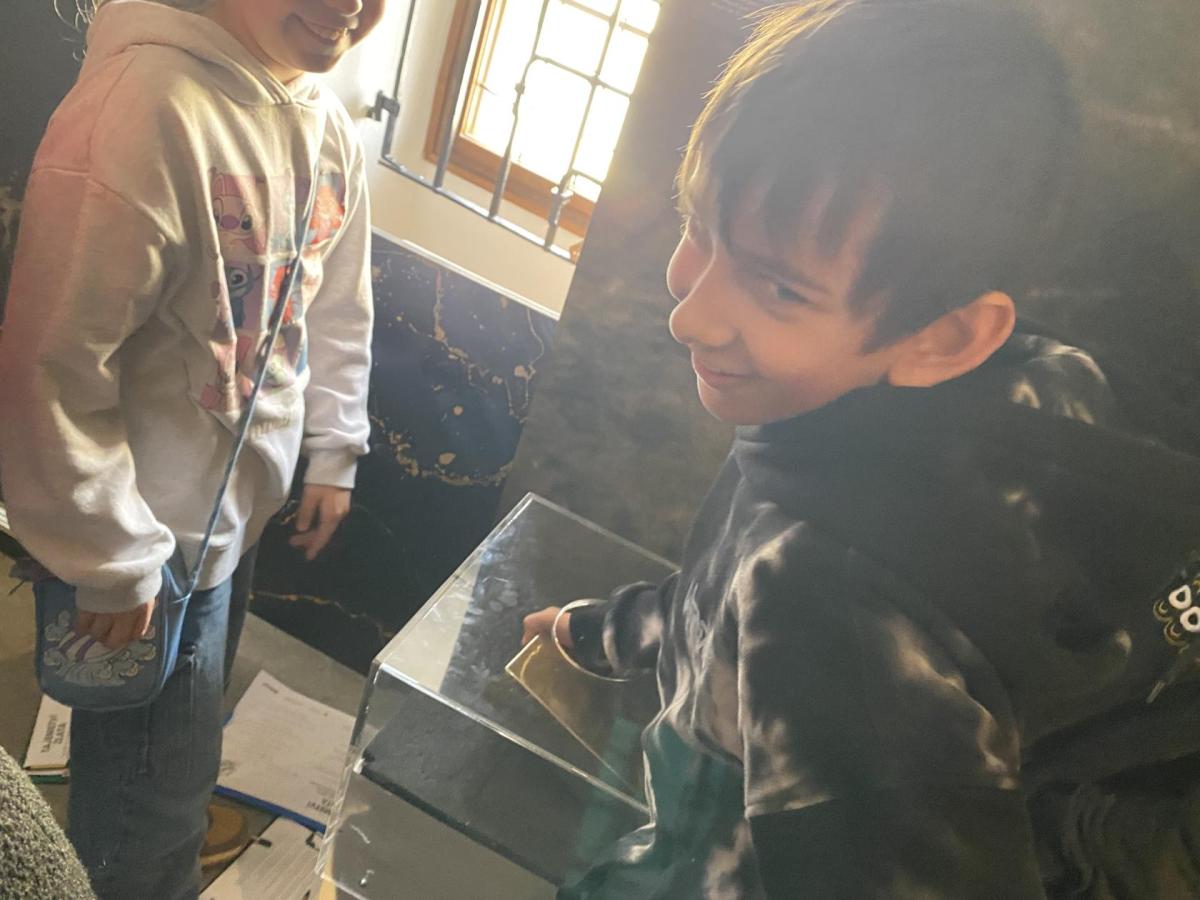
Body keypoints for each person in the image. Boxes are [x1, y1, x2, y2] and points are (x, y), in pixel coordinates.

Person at [522, 1, 1200, 896]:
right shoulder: (1032, 391)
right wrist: (605, 632)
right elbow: (725, 590)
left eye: (778, 288)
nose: (691, 313)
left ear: (944, 338)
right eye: (699, 226)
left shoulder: (828, 602)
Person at [0, 0, 385, 896]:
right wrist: (112, 557)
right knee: (150, 807)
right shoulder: (142, 114)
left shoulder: (325, 120)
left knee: (181, 739)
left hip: (233, 521)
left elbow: (339, 302)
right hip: (143, 541)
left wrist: (335, 447)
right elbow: (50, 367)